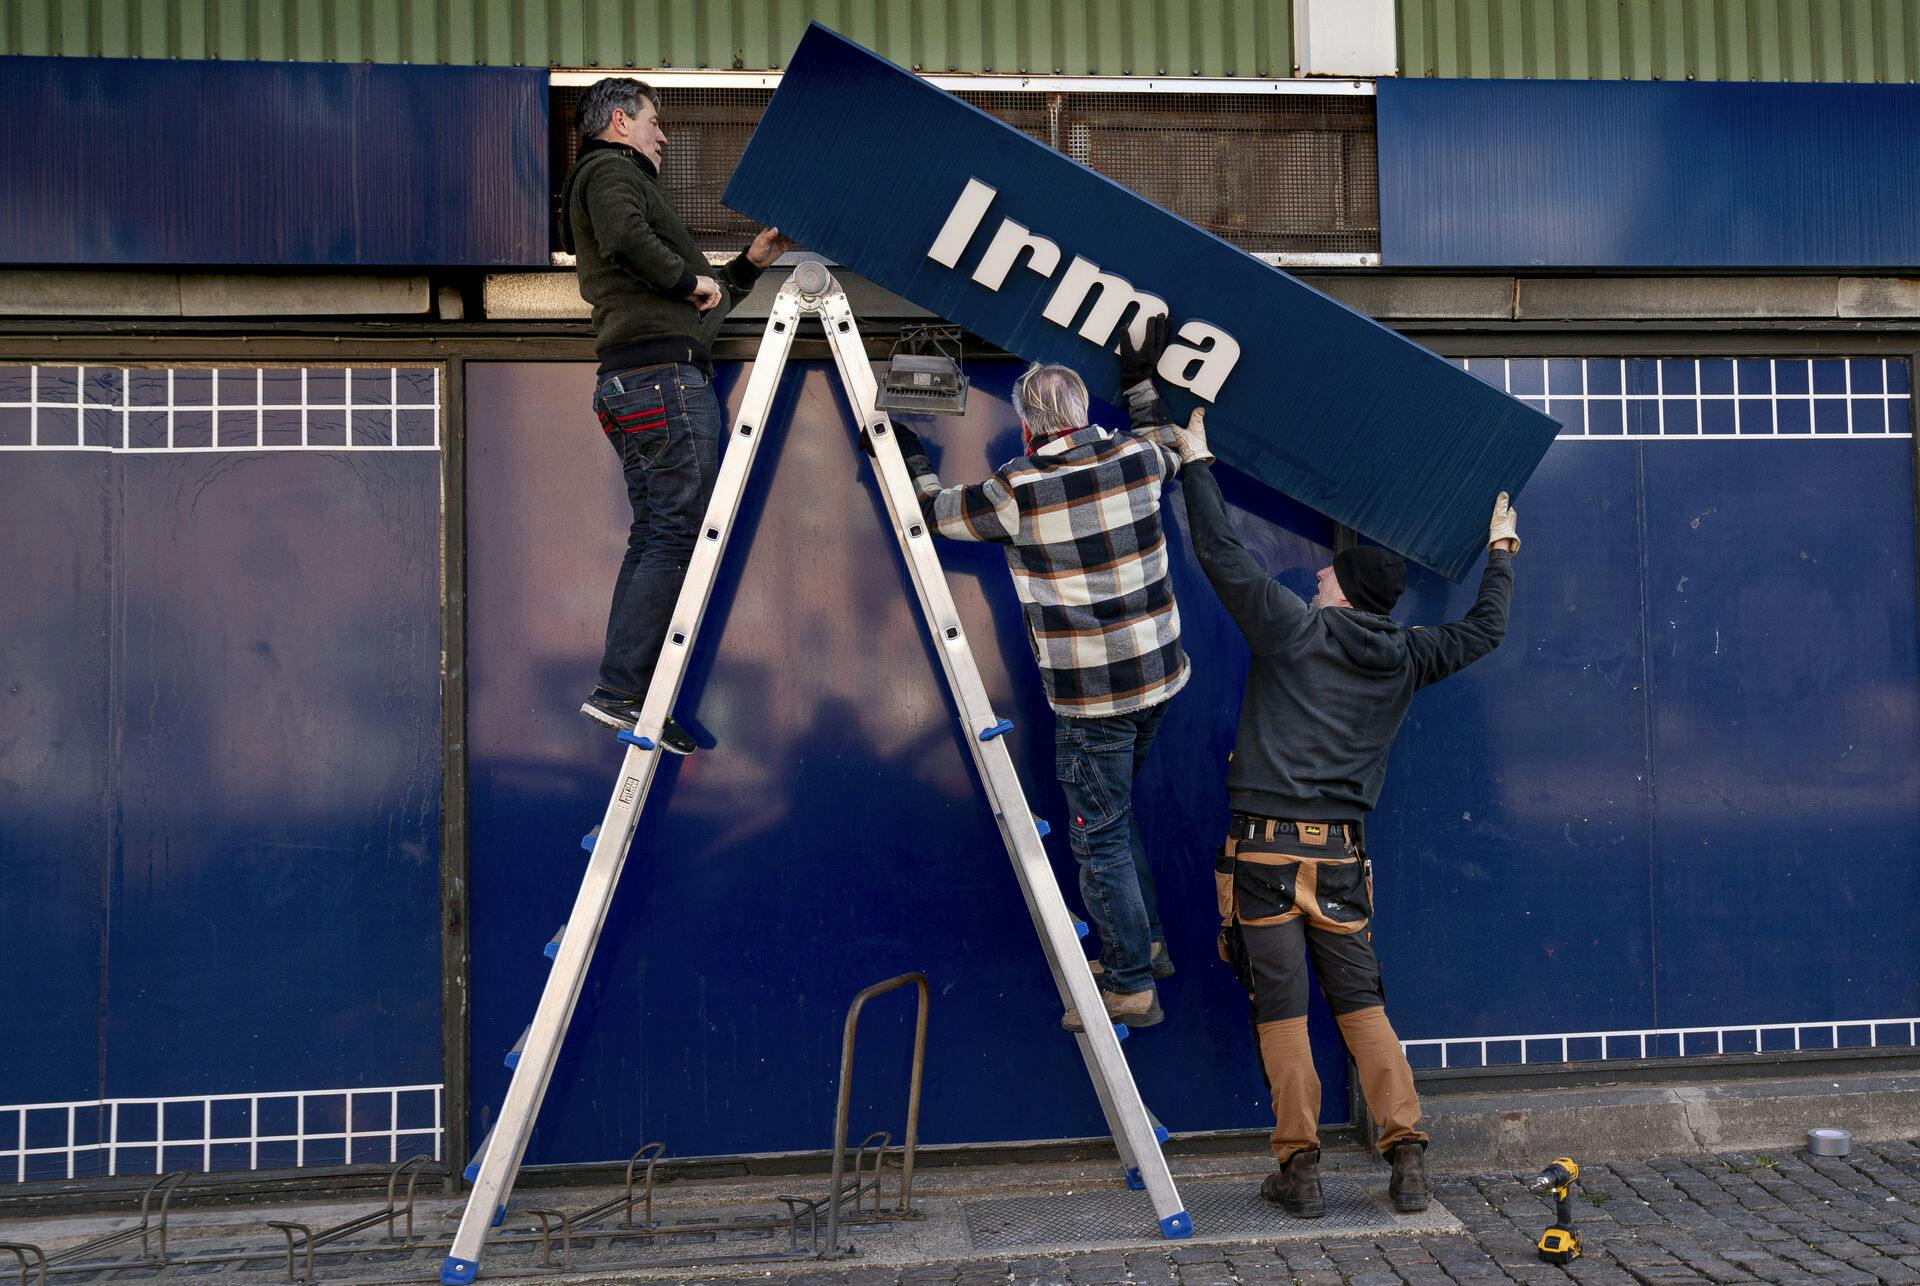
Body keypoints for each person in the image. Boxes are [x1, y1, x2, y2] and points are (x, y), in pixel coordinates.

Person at [1150, 390, 1518, 1217]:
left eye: (1327, 573)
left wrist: (1197, 460)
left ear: (1345, 591)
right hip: (1343, 861)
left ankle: (1302, 1168)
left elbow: (1221, 553)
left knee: (1280, 1009)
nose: (1314, 573)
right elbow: (1486, 630)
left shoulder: (1296, 629)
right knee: (1361, 1005)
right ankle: (1408, 1155)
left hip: (1265, 857)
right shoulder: (1412, 656)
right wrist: (1502, 550)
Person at [890, 335, 1210, 1031]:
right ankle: (1144, 945)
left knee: (1099, 837)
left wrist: (910, 451)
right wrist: (1139, 381)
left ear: (1032, 423)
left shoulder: (1017, 490)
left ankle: (1129, 984)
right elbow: (1166, 441)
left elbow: (937, 513)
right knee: (1116, 824)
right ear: (1081, 408)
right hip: (1159, 680)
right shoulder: (1137, 458)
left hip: (1092, 702)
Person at [558, 76, 792, 749]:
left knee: (658, 534)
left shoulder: (625, 195)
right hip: (659, 384)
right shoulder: (608, 171)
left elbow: (700, 315)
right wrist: (690, 278)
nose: (664, 136)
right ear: (621, 120)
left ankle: (627, 692)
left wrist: (746, 265)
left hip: (644, 379)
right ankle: (623, 690)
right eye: (656, 122)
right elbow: (629, 238)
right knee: (675, 534)